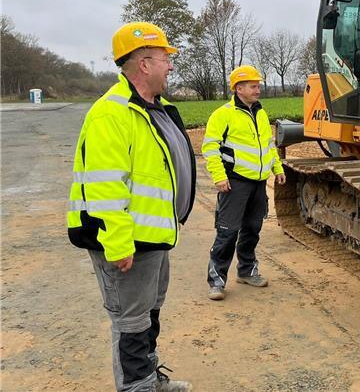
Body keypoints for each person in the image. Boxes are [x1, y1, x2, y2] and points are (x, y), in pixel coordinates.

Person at [67, 22, 195, 391]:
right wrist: (119, 243)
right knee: (131, 323)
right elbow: (105, 186)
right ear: (144, 64)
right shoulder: (113, 113)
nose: (171, 66)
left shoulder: (156, 109)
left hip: (152, 236)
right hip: (127, 241)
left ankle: (149, 380)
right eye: (165, 58)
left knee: (148, 314)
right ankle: (136, 387)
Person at [202, 65, 286, 301]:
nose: (258, 90)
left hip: (258, 183)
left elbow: (268, 145)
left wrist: (277, 168)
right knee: (227, 232)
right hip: (234, 183)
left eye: (258, 85)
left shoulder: (260, 113)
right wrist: (219, 176)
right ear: (239, 88)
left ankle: (247, 271)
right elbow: (210, 147)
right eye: (253, 86)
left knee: (252, 228)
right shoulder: (223, 114)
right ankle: (216, 281)